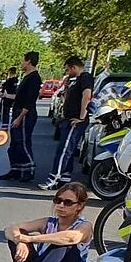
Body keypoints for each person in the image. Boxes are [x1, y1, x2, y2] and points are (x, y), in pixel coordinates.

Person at [0, 182, 92, 262]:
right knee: (19, 234)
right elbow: (10, 229)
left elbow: (72, 237)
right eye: (58, 200)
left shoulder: (85, 225)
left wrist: (32, 238)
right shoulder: (48, 222)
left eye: (67, 202)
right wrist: (21, 242)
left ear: (79, 206)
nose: (61, 205)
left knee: (62, 243)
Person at [41, 56, 95, 189]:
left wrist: (81, 117)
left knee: (64, 150)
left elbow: (86, 96)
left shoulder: (85, 77)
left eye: (67, 70)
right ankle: (65, 177)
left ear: (74, 67)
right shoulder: (73, 80)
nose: (67, 72)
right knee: (67, 149)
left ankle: (54, 177)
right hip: (69, 119)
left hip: (75, 121)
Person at [0, 52, 42, 183]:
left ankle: (29, 169)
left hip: (25, 114)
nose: (21, 64)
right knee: (14, 144)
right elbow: (19, 97)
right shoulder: (26, 77)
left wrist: (19, 117)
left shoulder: (34, 78)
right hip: (18, 111)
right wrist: (5, 96)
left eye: (23, 61)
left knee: (23, 142)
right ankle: (16, 169)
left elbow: (29, 100)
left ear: (28, 61)